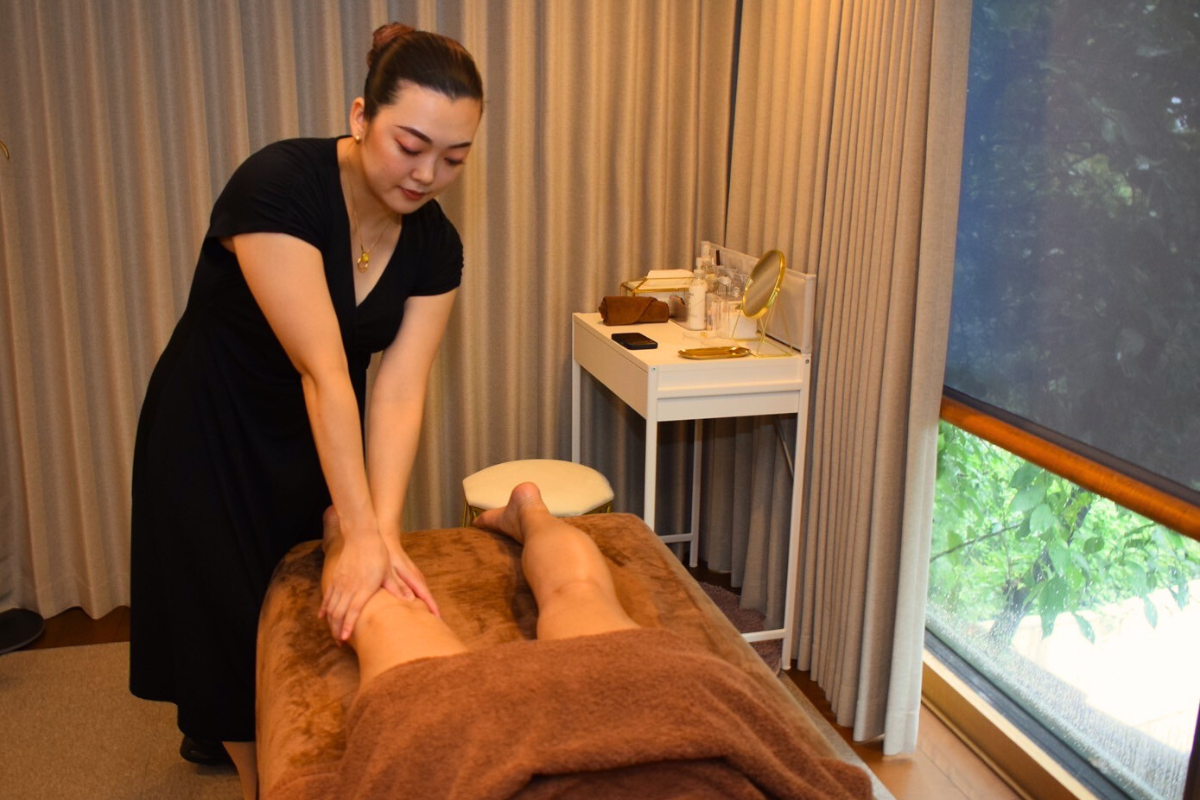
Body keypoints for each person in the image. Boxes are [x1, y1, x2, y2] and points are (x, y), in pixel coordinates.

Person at [129, 22, 483, 800]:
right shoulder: (278, 187)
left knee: (295, 606)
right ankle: (262, 780)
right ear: (361, 116)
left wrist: (378, 531)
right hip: (214, 424)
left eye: (455, 158)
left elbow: (399, 390)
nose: (428, 174)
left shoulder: (437, 247)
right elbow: (323, 370)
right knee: (227, 619)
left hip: (317, 431)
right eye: (411, 145)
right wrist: (358, 529)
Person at [300, 483, 874, 800]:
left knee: (574, 593)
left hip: (635, 704)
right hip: (660, 706)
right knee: (571, 593)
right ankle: (527, 513)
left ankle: (351, 534)